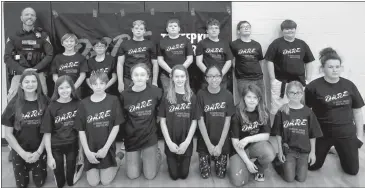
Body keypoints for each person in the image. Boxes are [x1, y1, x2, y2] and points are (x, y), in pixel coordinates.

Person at [305, 47, 364, 175]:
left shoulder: (349, 85)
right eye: (331, 67)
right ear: (322, 69)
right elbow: (306, 113)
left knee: (352, 171)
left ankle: (337, 148)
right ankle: (331, 148)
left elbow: (357, 111)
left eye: (337, 67)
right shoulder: (313, 87)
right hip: (322, 133)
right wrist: (307, 137)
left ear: (341, 68)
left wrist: (359, 136)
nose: (335, 70)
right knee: (312, 166)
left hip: (346, 133)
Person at [75, 71, 124, 186]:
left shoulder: (113, 100)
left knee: (105, 181)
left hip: (106, 148)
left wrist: (106, 148)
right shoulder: (83, 103)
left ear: (106, 84)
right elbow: (81, 130)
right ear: (90, 85)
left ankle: (117, 159)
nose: (98, 87)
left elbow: (116, 126)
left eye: (101, 83)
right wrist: (86, 151)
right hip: (91, 148)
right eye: (95, 84)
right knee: (94, 183)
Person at [2, 70, 48, 188]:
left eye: (33, 81)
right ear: (21, 85)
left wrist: (38, 152)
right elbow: (8, 134)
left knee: (40, 183)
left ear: (38, 84)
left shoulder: (45, 102)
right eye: (27, 81)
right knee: (22, 185)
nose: (30, 84)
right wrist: (22, 153)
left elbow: (48, 131)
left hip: (39, 149)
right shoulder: (13, 105)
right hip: (19, 150)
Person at [264, 19, 315, 123]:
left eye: (292, 29)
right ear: (282, 31)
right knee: (277, 108)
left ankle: (296, 127)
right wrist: (273, 79)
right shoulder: (276, 43)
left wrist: (308, 79)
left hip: (299, 82)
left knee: (298, 106)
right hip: (281, 82)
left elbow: (309, 61)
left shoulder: (302, 44)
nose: (289, 31)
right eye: (286, 29)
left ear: (295, 30)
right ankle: (275, 130)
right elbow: (269, 61)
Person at [271, 81, 322, 182]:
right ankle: (277, 162)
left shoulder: (308, 112)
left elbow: (313, 134)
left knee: (301, 179)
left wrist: (313, 153)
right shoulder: (282, 111)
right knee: (289, 179)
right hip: (289, 150)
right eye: (292, 92)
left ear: (302, 94)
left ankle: (293, 165)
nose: (295, 95)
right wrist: (280, 151)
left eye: (298, 92)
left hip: (304, 151)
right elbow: (277, 133)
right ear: (287, 94)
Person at [120, 63, 163, 180]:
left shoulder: (156, 92)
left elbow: (162, 113)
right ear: (131, 77)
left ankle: (157, 153)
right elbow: (122, 118)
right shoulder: (124, 95)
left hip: (149, 136)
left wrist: (155, 124)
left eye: (142, 75)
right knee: (133, 175)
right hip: (132, 138)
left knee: (149, 176)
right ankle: (138, 157)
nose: (139, 77)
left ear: (147, 77)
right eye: (136, 75)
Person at [228, 84, 275, 186]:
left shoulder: (263, 110)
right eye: (249, 97)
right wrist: (247, 162)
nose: (252, 100)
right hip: (238, 149)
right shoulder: (236, 113)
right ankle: (246, 164)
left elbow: (266, 135)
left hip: (254, 146)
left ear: (259, 99)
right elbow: (235, 142)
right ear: (243, 98)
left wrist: (249, 139)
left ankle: (259, 168)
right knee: (239, 182)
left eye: (255, 97)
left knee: (269, 153)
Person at [41, 75, 82, 188]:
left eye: (67, 87)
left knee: (70, 182)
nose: (64, 91)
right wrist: (49, 155)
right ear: (57, 90)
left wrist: (81, 151)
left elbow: (81, 131)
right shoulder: (51, 107)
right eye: (61, 88)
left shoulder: (78, 104)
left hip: (72, 145)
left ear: (72, 88)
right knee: (60, 184)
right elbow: (47, 133)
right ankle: (58, 172)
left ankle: (77, 169)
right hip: (56, 146)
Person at [4, 7, 53, 102]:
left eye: (32, 15)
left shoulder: (43, 35)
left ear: (35, 18)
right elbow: (7, 57)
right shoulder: (13, 36)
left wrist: (35, 69)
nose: (29, 17)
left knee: (43, 101)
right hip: (19, 74)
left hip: (38, 73)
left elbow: (50, 55)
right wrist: (23, 70)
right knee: (12, 102)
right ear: (21, 18)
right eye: (26, 14)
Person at [159, 65, 197, 180]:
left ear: (186, 78)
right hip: (171, 139)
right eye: (177, 76)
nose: (179, 79)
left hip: (186, 139)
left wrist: (187, 142)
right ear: (172, 78)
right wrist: (169, 142)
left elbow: (194, 121)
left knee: (184, 175)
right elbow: (162, 121)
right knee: (174, 176)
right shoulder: (166, 96)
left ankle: (183, 156)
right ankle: (164, 155)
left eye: (182, 76)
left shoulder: (191, 96)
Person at [196, 65, 234, 179]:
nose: (214, 79)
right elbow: (200, 121)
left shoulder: (227, 95)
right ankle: (208, 155)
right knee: (205, 174)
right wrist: (208, 145)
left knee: (221, 174)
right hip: (205, 141)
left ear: (221, 78)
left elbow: (228, 122)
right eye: (211, 76)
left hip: (222, 141)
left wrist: (220, 145)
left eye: (217, 76)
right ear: (206, 78)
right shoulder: (200, 94)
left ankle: (217, 154)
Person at [117, 20, 158, 93]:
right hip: (129, 79)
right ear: (132, 30)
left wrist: (154, 81)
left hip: (146, 78)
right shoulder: (124, 44)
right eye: (136, 28)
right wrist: (120, 82)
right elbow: (120, 64)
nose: (138, 30)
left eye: (141, 29)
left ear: (144, 31)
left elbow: (155, 63)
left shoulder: (150, 44)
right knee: (129, 102)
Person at [230, 21, 265, 104]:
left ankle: (262, 117)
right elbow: (232, 61)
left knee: (260, 102)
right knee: (244, 103)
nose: (246, 28)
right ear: (238, 31)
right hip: (243, 79)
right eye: (243, 27)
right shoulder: (234, 44)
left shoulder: (257, 44)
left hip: (258, 79)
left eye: (248, 26)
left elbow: (260, 61)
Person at [157, 19, 194, 92]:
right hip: (167, 75)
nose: (173, 27)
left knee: (183, 95)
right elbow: (160, 60)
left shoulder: (185, 40)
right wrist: (171, 71)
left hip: (182, 75)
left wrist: (179, 71)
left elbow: (190, 59)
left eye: (175, 26)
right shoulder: (162, 42)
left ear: (179, 29)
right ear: (167, 29)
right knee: (168, 98)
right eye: (170, 26)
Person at [196, 18, 233, 89]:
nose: (214, 30)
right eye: (211, 28)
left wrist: (220, 75)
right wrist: (209, 74)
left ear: (219, 31)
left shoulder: (225, 43)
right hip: (207, 79)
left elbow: (229, 61)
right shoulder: (202, 43)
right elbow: (199, 62)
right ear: (207, 31)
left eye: (216, 28)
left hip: (222, 79)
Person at [51, 33, 88, 98]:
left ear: (76, 43)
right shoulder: (57, 58)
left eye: (71, 41)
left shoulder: (81, 57)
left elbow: (83, 75)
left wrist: (73, 88)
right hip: (61, 90)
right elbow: (54, 75)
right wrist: (61, 87)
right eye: (66, 41)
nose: (69, 43)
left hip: (76, 89)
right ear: (62, 43)